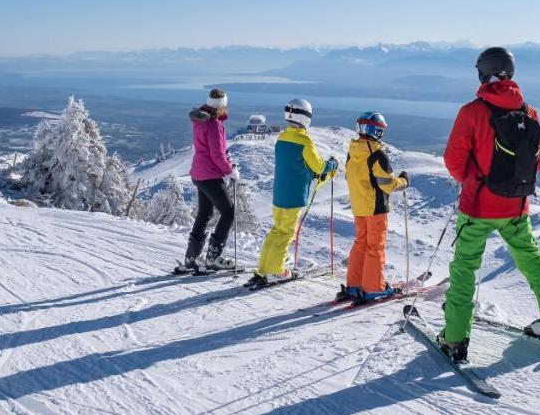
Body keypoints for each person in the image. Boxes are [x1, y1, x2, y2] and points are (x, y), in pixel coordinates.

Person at [437, 47, 540, 363]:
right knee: (533, 263)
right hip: (516, 209)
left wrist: (475, 181)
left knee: (464, 271)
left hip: (477, 209)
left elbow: (454, 161)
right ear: (510, 74)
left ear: (482, 73)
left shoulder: (472, 112)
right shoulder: (530, 113)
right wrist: (512, 182)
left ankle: (455, 338)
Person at [247, 98, 337, 288]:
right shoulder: (304, 141)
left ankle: (263, 269)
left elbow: (295, 165)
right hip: (294, 196)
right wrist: (332, 165)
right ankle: (276, 272)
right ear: (306, 118)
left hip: (279, 194)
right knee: (286, 233)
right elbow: (319, 166)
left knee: (276, 231)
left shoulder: (282, 138)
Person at [339, 111, 409, 303]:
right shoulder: (377, 154)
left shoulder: (353, 152)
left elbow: (349, 177)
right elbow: (387, 183)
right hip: (376, 208)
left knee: (360, 243)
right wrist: (403, 181)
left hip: (359, 207)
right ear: (377, 132)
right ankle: (372, 287)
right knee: (375, 247)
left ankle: (354, 285)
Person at [175, 88, 239, 273]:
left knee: (204, 214)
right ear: (222, 106)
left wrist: (227, 165)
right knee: (228, 213)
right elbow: (217, 155)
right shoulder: (214, 124)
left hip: (198, 174)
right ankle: (213, 258)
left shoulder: (200, 120)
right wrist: (230, 171)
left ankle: (192, 258)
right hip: (210, 175)